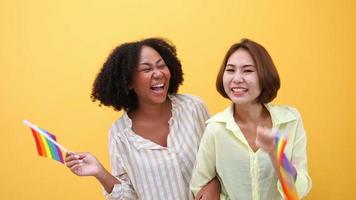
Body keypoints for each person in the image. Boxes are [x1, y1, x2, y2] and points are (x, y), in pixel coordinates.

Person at [65, 38, 220, 200]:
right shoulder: (119, 135)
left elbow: (219, 157)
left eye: (161, 66)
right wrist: (100, 172)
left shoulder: (193, 107)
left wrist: (215, 183)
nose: (159, 73)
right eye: (146, 69)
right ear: (129, 82)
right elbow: (128, 196)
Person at [190, 38, 312, 199]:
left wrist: (277, 155)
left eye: (247, 70)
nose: (237, 78)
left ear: (264, 75)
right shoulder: (215, 129)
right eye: (230, 70)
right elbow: (198, 188)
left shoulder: (290, 120)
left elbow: (297, 192)